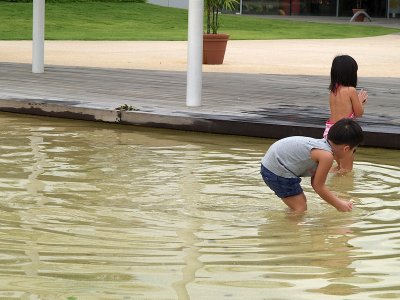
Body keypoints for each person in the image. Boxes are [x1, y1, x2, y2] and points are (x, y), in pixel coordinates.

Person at [260, 118, 363, 213]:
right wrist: (339, 205)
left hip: (271, 165)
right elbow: (318, 186)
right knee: (300, 208)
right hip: (277, 171)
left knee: (299, 203)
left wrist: (336, 199)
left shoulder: (322, 146)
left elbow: (315, 183)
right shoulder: (326, 156)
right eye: (354, 150)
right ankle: (287, 231)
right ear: (346, 149)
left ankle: (290, 218)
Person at [324, 55, 368, 172]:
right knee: (347, 170)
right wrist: (360, 101)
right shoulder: (350, 90)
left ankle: (330, 183)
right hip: (344, 133)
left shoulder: (333, 91)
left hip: (330, 132)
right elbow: (358, 113)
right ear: (351, 73)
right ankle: (343, 190)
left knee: (338, 167)